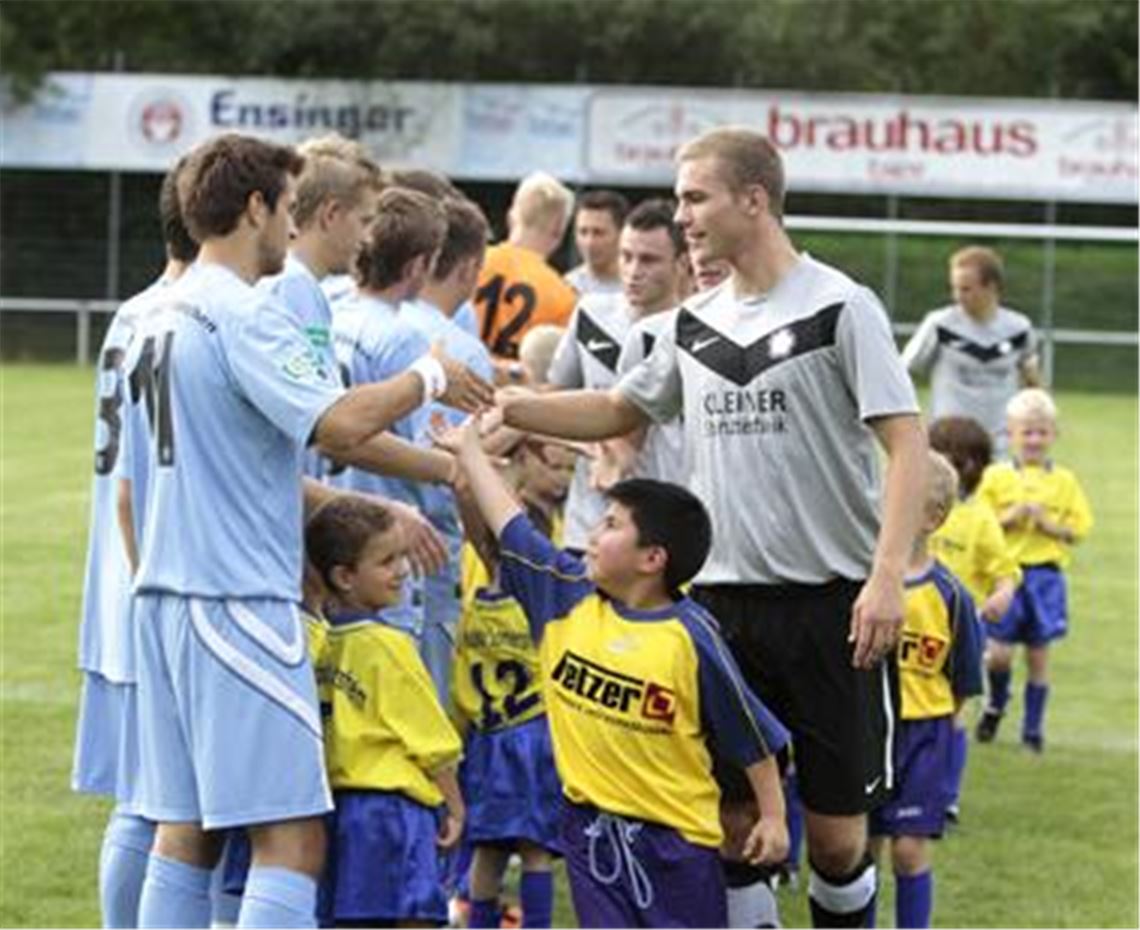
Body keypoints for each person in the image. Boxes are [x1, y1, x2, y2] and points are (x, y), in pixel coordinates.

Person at [490, 126, 928, 928]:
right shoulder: (696, 324)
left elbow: (907, 441)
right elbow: (621, 407)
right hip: (719, 611)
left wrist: (888, 575)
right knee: (732, 829)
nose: (682, 214)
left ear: (753, 200)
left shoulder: (839, 306)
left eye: (696, 197)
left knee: (834, 844)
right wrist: (513, 406)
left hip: (832, 604)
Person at [119, 132, 484, 929]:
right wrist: (427, 375)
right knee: (291, 839)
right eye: (286, 209)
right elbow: (341, 426)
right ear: (256, 207)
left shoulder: (154, 311)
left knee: (187, 833)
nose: (292, 228)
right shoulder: (241, 312)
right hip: (238, 600)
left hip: (166, 595)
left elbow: (141, 482)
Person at [449, 411, 790, 929]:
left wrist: (773, 817)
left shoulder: (692, 637)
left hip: (677, 844)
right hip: (590, 835)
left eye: (610, 525)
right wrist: (470, 453)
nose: (591, 533)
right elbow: (510, 526)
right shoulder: (563, 594)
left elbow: (752, 735)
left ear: (652, 558)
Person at [71, 157, 198, 930]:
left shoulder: (134, 312)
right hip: (156, 568)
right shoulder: (185, 317)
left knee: (146, 797)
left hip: (124, 573)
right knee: (157, 803)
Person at [305, 496, 464, 927]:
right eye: (387, 560)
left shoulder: (315, 644)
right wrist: (455, 806)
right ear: (344, 576)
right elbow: (430, 739)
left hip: (336, 813)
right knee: (410, 918)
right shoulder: (390, 646)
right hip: (394, 814)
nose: (403, 570)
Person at [450, 437, 574, 930]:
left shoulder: (476, 605)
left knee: (487, 850)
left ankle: (479, 923)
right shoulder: (544, 611)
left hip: (486, 736)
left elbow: (461, 677)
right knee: (537, 849)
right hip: (535, 735)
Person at [327, 186, 451, 644]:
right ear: (419, 264)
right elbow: (429, 453)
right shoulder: (402, 339)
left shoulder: (331, 312)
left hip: (329, 536)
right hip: (386, 542)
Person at [869, 451, 983, 930]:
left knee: (910, 851)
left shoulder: (951, 596)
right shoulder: (864, 585)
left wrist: (933, 715)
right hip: (870, 732)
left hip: (924, 735)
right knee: (861, 850)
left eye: (903, 500)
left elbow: (963, 679)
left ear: (934, 517)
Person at [401, 196, 497, 700]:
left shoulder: (355, 316)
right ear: (469, 267)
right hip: (427, 563)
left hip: (341, 556)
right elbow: (465, 469)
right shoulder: (459, 349)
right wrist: (489, 550)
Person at [258, 133, 383, 478]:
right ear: (331, 215)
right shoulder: (294, 286)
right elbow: (331, 429)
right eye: (366, 221)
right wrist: (427, 379)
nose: (369, 238)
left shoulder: (289, 281)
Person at [974, 388, 1093, 751]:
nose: (1034, 439)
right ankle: (996, 703)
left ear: (1053, 435)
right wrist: (1008, 518)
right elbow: (979, 522)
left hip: (1045, 577)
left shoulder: (1064, 481)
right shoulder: (995, 477)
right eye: (1027, 431)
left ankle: (1032, 731)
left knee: (1039, 656)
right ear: (1010, 434)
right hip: (1006, 575)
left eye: (1042, 432)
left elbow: (1079, 529)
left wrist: (1049, 525)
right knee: (998, 654)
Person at [926, 415, 1021, 820]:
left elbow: (1005, 572)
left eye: (962, 462)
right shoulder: (913, 506)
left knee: (953, 714)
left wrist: (1001, 595)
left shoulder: (981, 517)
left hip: (961, 629)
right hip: (914, 626)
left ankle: (946, 795)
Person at [901, 246, 1040, 457]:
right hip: (949, 442)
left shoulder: (1019, 329)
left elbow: (1032, 381)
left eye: (965, 289)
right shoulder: (940, 325)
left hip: (1000, 443)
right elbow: (901, 371)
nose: (957, 296)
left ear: (991, 287)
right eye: (954, 288)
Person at [605, 198, 690, 488]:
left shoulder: (695, 329)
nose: (633, 270)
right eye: (626, 256)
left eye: (649, 260)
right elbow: (618, 431)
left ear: (681, 263)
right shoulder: (589, 313)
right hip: (615, 504)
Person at [474, 171, 577, 366]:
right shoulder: (563, 295)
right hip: (519, 391)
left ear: (511, 217)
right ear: (559, 230)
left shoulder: (470, 264)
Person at [564, 190, 629, 296]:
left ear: (621, 234)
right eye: (583, 232)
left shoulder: (638, 286)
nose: (589, 242)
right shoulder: (567, 288)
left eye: (598, 233)